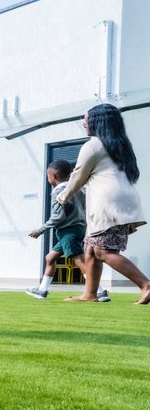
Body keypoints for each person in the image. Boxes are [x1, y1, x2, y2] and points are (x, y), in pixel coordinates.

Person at [58, 103, 150, 304]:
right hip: (121, 199)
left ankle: (146, 284)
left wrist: (63, 197)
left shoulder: (93, 145)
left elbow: (78, 175)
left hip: (107, 202)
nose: (84, 122)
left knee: (102, 251)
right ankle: (90, 294)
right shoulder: (119, 145)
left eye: (86, 118)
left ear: (98, 121)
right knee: (90, 249)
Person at [25, 160, 108, 301]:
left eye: (47, 175)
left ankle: (99, 291)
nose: (47, 178)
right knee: (50, 258)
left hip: (68, 231)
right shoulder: (76, 189)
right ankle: (42, 290)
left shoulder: (58, 192)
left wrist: (40, 230)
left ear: (52, 176)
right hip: (78, 228)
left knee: (79, 260)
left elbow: (58, 217)